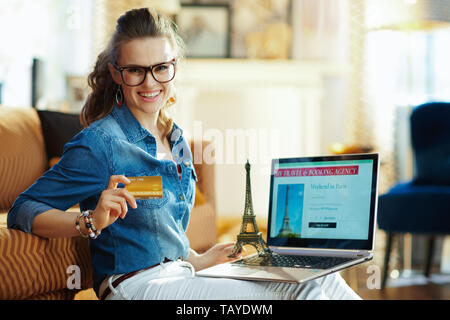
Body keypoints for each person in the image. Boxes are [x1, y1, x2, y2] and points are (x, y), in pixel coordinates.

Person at [7, 7, 361, 300]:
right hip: (135, 287)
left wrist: (200, 258)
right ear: (117, 72)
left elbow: (160, 234)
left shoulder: (176, 140)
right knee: (288, 296)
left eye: (160, 68)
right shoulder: (100, 143)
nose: (150, 83)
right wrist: (89, 222)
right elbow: (23, 209)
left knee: (318, 279)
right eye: (135, 71)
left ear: (174, 67)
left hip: (180, 276)